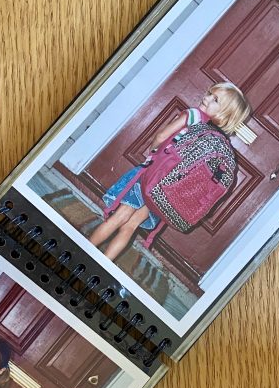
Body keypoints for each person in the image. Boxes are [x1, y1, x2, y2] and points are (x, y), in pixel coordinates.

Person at [89, 82, 252, 261]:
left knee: (120, 217)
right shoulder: (218, 141)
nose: (206, 98)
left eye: (215, 100)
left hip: (150, 178)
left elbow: (161, 136)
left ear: (225, 113)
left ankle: (86, 250)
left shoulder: (195, 116)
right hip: (166, 193)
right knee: (130, 226)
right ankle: (103, 263)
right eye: (209, 93)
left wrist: (153, 153)